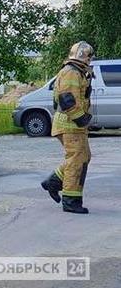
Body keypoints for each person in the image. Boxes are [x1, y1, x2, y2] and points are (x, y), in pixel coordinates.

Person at [41, 41, 94, 214]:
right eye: (89, 56)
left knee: (82, 157)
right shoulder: (71, 72)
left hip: (73, 125)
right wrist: (82, 119)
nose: (90, 60)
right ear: (82, 56)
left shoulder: (77, 71)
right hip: (70, 124)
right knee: (77, 159)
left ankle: (54, 182)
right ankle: (71, 201)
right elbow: (68, 100)